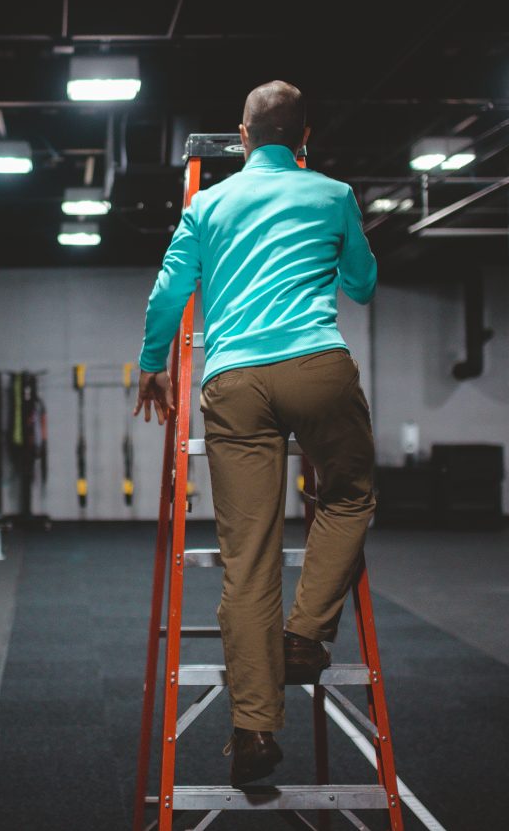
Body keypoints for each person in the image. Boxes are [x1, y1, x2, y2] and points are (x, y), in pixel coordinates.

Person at [134, 81, 377, 788]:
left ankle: (252, 732)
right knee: (351, 490)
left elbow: (167, 291)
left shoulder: (206, 204)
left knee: (248, 555)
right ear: (305, 138)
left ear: (243, 137)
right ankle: (305, 635)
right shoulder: (332, 194)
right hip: (317, 367)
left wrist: (155, 365)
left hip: (235, 381)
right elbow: (362, 284)